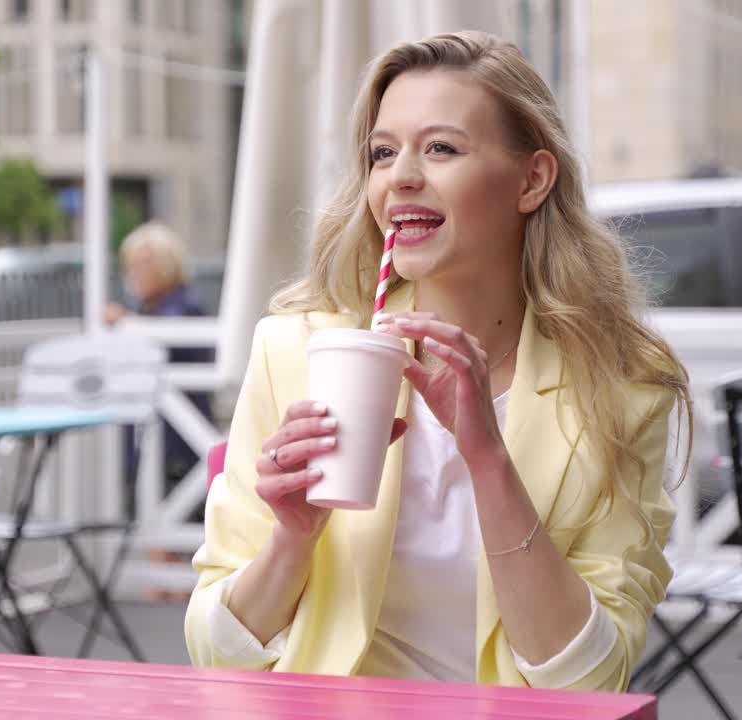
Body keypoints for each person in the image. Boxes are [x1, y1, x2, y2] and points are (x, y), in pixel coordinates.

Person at [185, 31, 692, 691]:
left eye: (441, 149)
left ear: (532, 179)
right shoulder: (294, 351)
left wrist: (488, 458)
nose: (402, 177)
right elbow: (215, 653)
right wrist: (293, 538)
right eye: (383, 153)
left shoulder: (621, 387)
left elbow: (590, 680)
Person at [107, 221, 214, 601]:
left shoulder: (181, 308)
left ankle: (170, 596)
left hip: (176, 444)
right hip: (165, 441)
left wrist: (128, 326)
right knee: (164, 531)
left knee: (172, 541)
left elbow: (163, 339)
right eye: (131, 265)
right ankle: (168, 591)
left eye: (143, 264)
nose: (134, 274)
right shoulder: (157, 308)